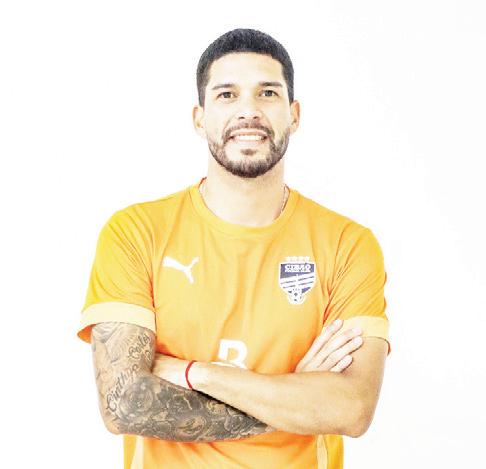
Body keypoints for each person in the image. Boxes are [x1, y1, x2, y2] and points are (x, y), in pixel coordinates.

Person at [77, 28, 391, 469]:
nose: (248, 111)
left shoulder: (347, 245)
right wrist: (293, 396)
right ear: (199, 118)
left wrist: (196, 373)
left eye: (267, 93)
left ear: (294, 114)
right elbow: (125, 404)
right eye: (227, 95)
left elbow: (352, 408)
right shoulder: (135, 232)